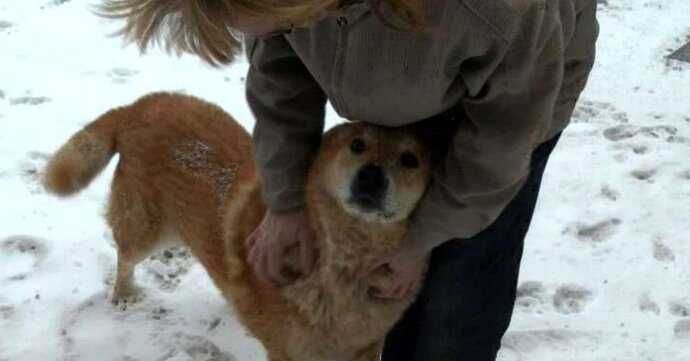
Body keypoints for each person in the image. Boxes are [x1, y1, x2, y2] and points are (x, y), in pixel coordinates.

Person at [100, 0, 599, 359]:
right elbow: (280, 86)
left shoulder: (493, 13)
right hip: (397, 72)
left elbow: (498, 148)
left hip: (514, 99)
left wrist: (418, 240)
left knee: (459, 291)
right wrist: (285, 201)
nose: (264, 35)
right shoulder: (281, 9)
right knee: (389, 287)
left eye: (280, 22)